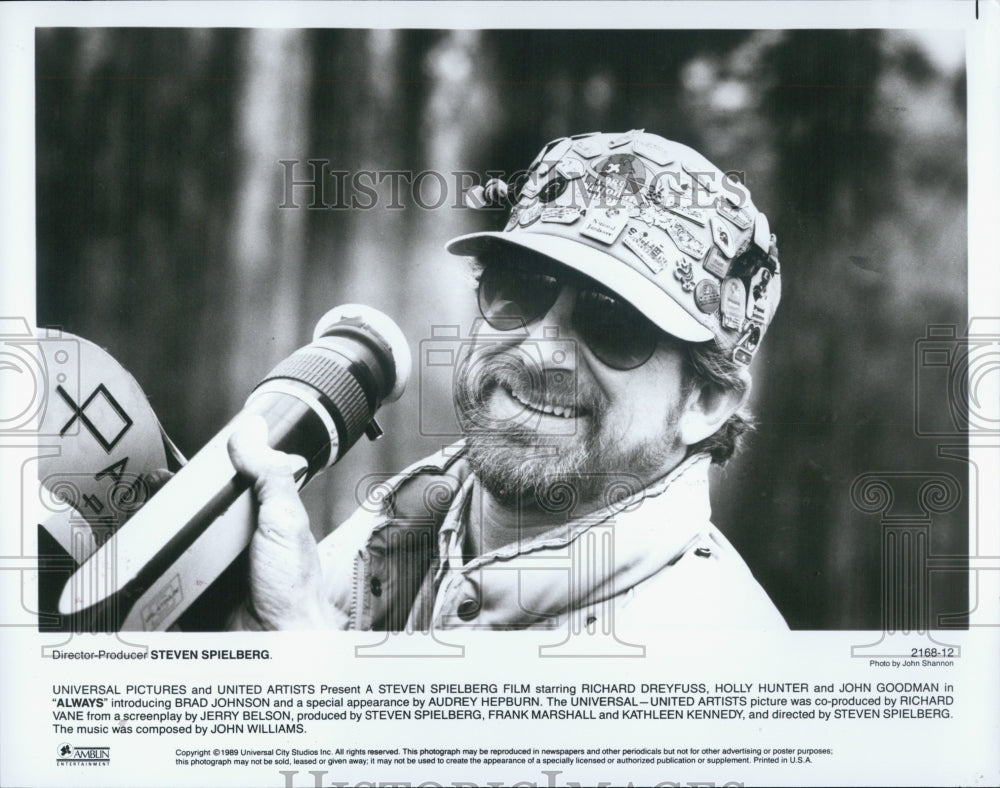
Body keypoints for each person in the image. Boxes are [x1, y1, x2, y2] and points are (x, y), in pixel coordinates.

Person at [227, 130, 787, 631]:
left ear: (708, 400)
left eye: (612, 323)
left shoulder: (721, 652)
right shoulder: (394, 530)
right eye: (519, 291)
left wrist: (298, 647)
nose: (541, 347)